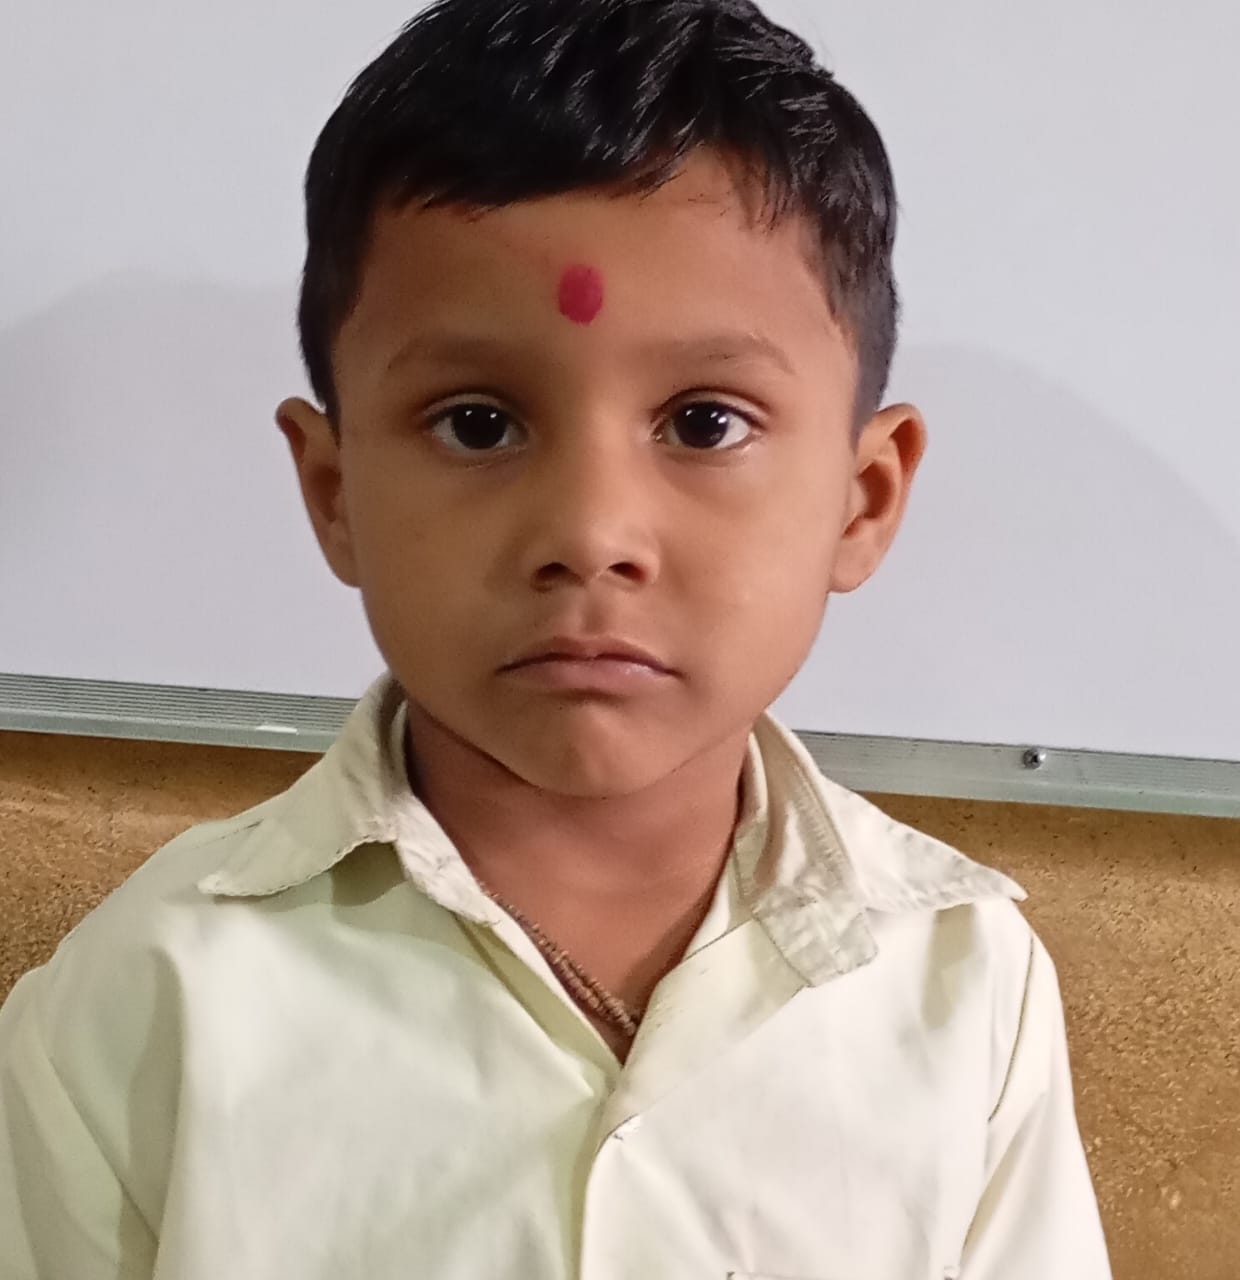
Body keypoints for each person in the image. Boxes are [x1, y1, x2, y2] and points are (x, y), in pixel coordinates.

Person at [0, 0, 1113, 1275]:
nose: (590, 533)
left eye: (704, 422)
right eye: (477, 423)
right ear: (334, 490)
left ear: (861, 500)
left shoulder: (961, 988)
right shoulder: (147, 998)